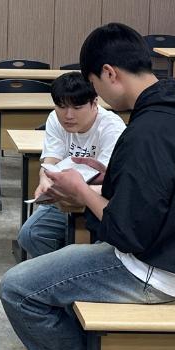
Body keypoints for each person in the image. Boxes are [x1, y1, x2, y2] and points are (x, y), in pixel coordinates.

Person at [0, 22, 175, 350]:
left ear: (109, 73)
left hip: (154, 269)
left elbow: (127, 231)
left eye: (94, 85)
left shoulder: (146, 130)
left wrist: (81, 191)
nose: (98, 95)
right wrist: (116, 178)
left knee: (17, 289)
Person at [18, 72, 125, 258]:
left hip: (100, 201)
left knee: (91, 247)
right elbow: (50, 162)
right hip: (64, 196)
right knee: (30, 235)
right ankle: (58, 269)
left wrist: (77, 190)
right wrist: (45, 180)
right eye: (62, 107)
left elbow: (109, 183)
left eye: (77, 107)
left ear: (94, 103)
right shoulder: (54, 119)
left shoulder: (112, 128)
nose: (68, 115)